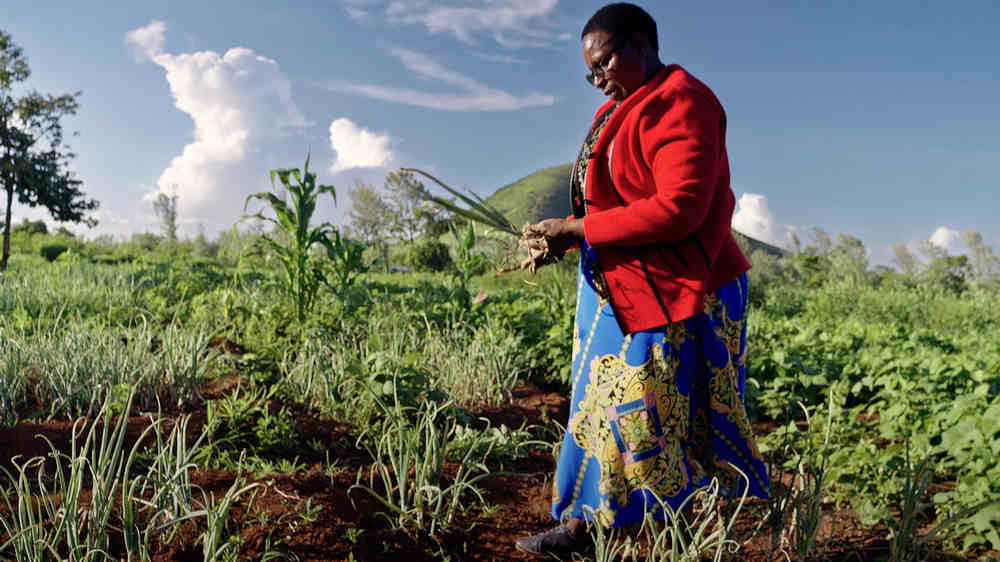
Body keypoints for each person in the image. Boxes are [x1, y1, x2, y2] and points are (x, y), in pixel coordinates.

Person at [514, 3, 770, 557]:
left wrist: (580, 227)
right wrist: (567, 236)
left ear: (642, 45)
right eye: (590, 71)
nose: (598, 78)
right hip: (625, 284)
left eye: (604, 62)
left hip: (683, 289)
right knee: (599, 401)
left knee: (653, 408)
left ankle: (682, 527)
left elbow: (680, 208)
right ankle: (590, 524)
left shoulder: (683, 101)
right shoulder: (619, 108)